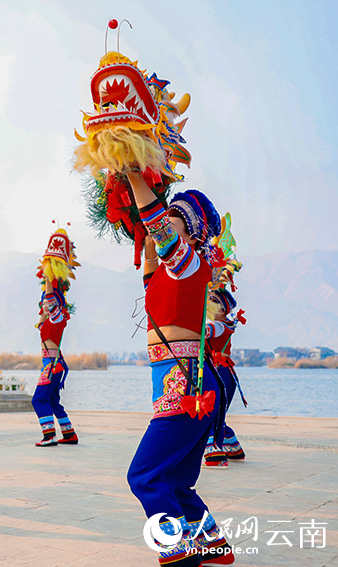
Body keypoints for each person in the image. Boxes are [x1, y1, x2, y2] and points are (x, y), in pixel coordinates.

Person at [125, 172, 234, 566]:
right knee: (176, 482)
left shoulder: (189, 264)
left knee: (145, 477)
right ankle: (213, 545)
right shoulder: (168, 272)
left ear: (187, 231)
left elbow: (159, 229)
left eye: (171, 218)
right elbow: (151, 257)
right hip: (181, 383)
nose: (162, 224)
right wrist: (132, 207)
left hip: (187, 386)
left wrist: (135, 172)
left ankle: (177, 553)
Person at [31, 229, 79, 447]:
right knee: (52, 400)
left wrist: (49, 275)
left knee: (38, 400)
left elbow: (50, 299)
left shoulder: (57, 317)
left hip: (51, 366)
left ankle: (49, 435)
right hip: (55, 365)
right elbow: (46, 303)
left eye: (46, 304)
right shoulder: (51, 319)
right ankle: (69, 434)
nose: (43, 306)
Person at [203, 289, 246, 466]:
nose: (208, 303)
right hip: (221, 372)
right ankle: (233, 448)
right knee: (218, 414)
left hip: (220, 373)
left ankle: (215, 454)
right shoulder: (223, 324)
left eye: (212, 300)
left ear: (222, 310)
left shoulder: (219, 326)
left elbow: (203, 333)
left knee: (212, 414)